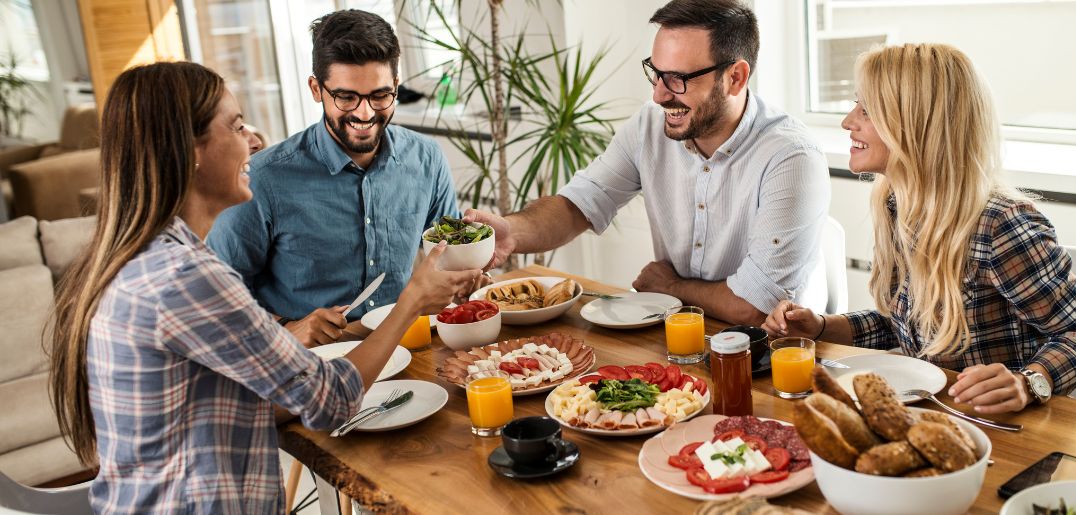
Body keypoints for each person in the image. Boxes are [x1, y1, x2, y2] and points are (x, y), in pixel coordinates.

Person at [46, 62, 479, 513]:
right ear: (189, 149)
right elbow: (330, 401)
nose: (254, 140)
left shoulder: (148, 258)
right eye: (236, 126)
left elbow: (227, 403)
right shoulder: (187, 278)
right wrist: (411, 300)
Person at [763, 43, 1076, 414]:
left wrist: (1029, 382)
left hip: (1003, 424)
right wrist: (821, 327)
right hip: (939, 415)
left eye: (868, 110)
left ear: (917, 124)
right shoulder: (898, 206)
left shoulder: (1000, 225)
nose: (848, 122)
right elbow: (906, 325)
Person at [465, 0, 830, 326]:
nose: (658, 94)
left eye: (678, 79)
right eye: (655, 72)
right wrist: (513, 231)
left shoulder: (791, 157)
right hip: (681, 332)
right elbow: (580, 204)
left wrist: (671, 288)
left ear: (735, 77)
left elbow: (754, 306)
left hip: (776, 353)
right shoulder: (649, 125)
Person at [208, 9, 477, 346]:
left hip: (410, 344)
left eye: (380, 95)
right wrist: (286, 329)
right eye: (346, 97)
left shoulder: (426, 158)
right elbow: (215, 300)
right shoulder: (262, 179)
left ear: (396, 86)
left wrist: (469, 271)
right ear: (316, 89)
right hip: (312, 361)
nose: (364, 113)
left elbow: (446, 256)